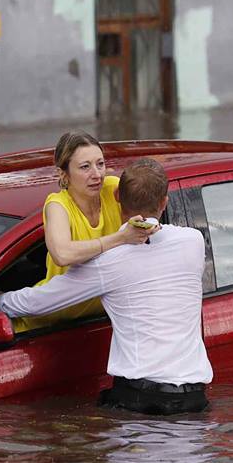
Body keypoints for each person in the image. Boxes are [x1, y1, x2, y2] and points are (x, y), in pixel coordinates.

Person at [0, 158, 213, 415]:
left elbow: (40, 301)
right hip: (195, 401)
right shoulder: (194, 241)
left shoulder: (108, 263)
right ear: (164, 202)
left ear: (117, 196)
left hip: (139, 400)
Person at [14, 131, 155, 332]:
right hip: (46, 324)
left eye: (100, 163)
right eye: (85, 167)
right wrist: (121, 237)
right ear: (63, 174)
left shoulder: (114, 189)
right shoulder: (58, 205)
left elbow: (150, 213)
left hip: (101, 322)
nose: (97, 174)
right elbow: (62, 254)